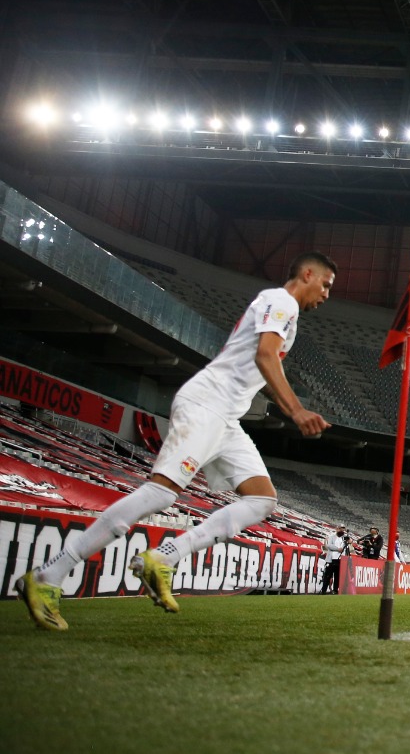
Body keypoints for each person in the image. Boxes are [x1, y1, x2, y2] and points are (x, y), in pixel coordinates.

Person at [18, 252, 336, 631]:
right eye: (326, 285)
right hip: (207, 403)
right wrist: (296, 411)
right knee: (161, 494)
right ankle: (48, 576)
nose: (326, 293)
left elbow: (263, 361)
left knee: (262, 500)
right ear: (308, 273)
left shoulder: (284, 310)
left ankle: (164, 557)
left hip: (227, 417)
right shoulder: (281, 301)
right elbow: (265, 355)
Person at [320, 525, 348, 595]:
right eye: (340, 529)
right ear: (337, 529)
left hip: (340, 559)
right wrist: (338, 549)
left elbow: (347, 546)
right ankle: (324, 590)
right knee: (328, 575)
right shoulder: (332, 536)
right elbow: (329, 545)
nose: (341, 530)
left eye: (342, 529)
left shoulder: (344, 538)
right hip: (332, 559)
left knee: (337, 576)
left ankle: (335, 590)